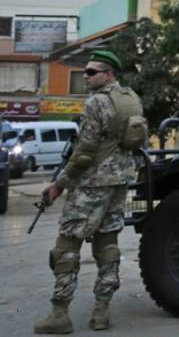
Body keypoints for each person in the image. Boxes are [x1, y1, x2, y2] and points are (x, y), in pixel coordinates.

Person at [34, 50, 142, 334]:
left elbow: (84, 152)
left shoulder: (97, 103)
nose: (86, 76)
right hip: (119, 181)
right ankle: (101, 314)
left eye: (92, 72)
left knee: (67, 245)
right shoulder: (130, 98)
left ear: (109, 75)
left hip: (92, 183)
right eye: (86, 71)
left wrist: (59, 183)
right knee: (107, 245)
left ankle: (60, 315)